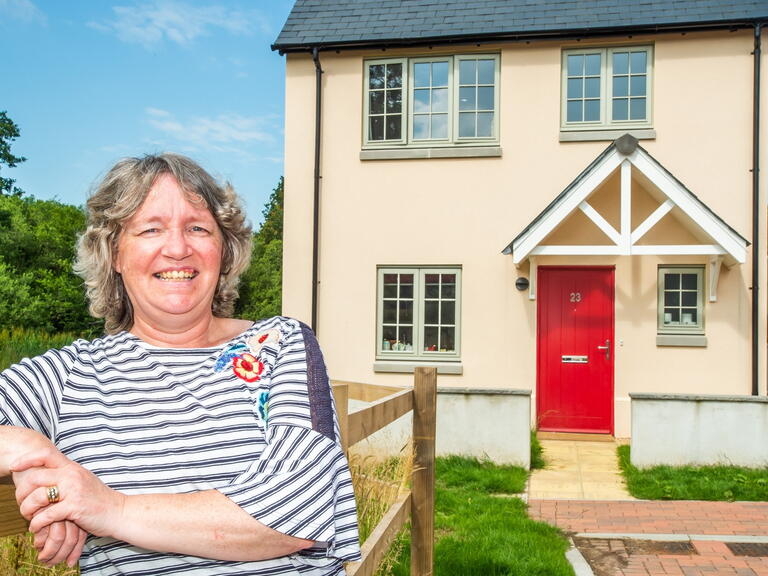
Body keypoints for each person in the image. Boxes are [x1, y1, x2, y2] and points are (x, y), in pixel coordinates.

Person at [0, 153, 361, 575]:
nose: (177, 249)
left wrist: (108, 507)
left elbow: (299, 512)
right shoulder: (69, 375)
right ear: (114, 255)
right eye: (151, 229)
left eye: (198, 228)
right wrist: (30, 455)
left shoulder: (278, 344)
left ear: (224, 251)